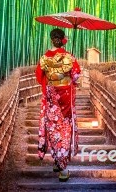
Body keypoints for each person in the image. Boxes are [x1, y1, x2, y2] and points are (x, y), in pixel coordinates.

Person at [35, 28, 81, 182]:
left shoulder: (44, 58)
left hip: (50, 98)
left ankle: (56, 160)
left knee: (52, 127)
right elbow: (76, 77)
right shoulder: (69, 57)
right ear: (63, 39)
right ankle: (63, 168)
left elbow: (39, 77)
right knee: (64, 129)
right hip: (66, 97)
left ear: (51, 39)